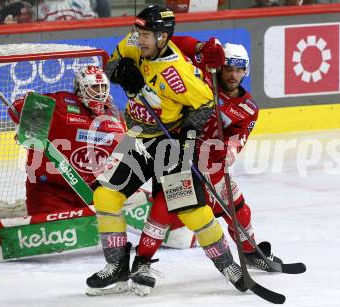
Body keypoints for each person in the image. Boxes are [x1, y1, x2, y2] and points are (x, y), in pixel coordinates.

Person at [86, 4, 246, 297]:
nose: (140, 38)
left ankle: (228, 266)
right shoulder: (135, 44)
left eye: (148, 34)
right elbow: (112, 62)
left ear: (163, 36)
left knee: (191, 209)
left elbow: (207, 103)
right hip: (135, 136)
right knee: (104, 195)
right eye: (139, 32)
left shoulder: (177, 73)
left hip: (169, 142)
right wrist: (120, 72)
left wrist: (189, 130)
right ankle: (118, 266)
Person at [172, 37, 284, 271]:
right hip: (180, 155)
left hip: (211, 162)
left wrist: (232, 149)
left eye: (239, 70)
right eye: (228, 68)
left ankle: (250, 252)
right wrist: (201, 47)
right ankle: (142, 261)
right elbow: (174, 45)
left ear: (246, 71)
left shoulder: (247, 108)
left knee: (238, 208)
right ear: (220, 68)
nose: (233, 75)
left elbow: (239, 134)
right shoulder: (204, 79)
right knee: (186, 217)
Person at [8, 65, 126, 216]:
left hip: (88, 191)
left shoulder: (113, 114)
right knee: (53, 232)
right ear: (80, 88)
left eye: (103, 87)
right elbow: (18, 107)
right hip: (50, 188)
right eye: (94, 87)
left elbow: (123, 151)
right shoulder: (62, 102)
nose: (100, 92)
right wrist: (26, 111)